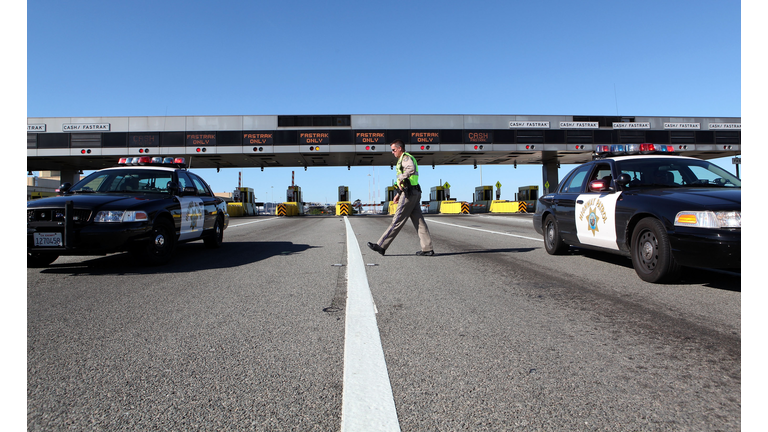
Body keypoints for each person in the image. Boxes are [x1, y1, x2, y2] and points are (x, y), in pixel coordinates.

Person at [367, 139, 434, 256]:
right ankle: (427, 248)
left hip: (409, 194)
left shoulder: (405, 158)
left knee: (397, 220)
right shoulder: (404, 159)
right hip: (414, 192)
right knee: (419, 222)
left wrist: (401, 178)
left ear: (400, 149)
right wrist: (398, 194)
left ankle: (381, 246)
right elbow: (409, 179)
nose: (392, 152)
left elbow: (411, 169)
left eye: (393, 150)